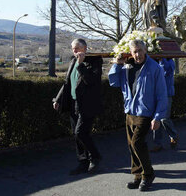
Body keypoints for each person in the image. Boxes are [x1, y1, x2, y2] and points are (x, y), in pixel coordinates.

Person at [108, 39, 167, 191]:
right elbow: (114, 82)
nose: (138, 54)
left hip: (146, 113)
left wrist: (158, 117)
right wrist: (117, 64)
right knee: (131, 146)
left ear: (145, 50)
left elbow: (162, 94)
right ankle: (138, 175)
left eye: (140, 50)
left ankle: (148, 174)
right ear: (131, 52)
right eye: (135, 51)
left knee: (137, 143)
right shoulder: (126, 66)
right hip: (130, 111)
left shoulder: (155, 68)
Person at [53, 39, 103, 175]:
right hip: (73, 103)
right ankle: (83, 162)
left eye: (77, 49)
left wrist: (81, 65)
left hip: (87, 104)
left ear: (85, 48)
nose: (74, 51)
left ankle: (95, 156)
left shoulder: (95, 61)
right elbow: (67, 82)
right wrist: (58, 99)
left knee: (80, 132)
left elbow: (91, 81)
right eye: (73, 49)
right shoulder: (72, 61)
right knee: (76, 135)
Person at [151, 58, 179, 152]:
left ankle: (173, 135)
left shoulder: (170, 61)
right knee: (156, 118)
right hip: (155, 94)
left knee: (164, 118)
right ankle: (157, 143)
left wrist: (161, 58)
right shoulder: (152, 61)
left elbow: (166, 71)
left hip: (167, 94)